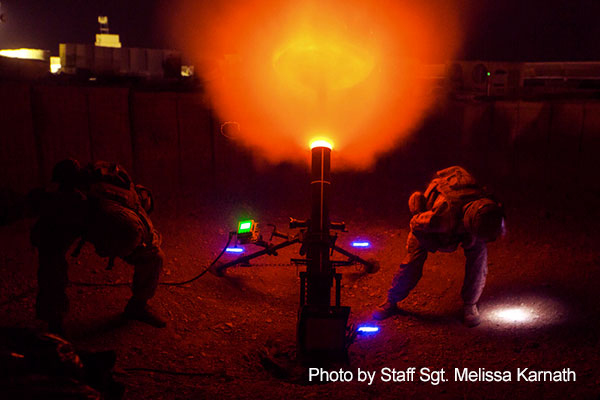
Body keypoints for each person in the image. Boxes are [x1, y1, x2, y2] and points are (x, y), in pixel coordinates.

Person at [30, 159, 166, 334]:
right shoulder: (65, 207)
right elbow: (42, 234)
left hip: (110, 219)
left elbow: (143, 233)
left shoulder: (131, 208)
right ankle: (54, 322)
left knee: (154, 256)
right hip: (80, 216)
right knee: (51, 259)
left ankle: (137, 306)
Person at [373, 166, 505, 327]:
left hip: (463, 224)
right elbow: (415, 223)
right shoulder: (441, 218)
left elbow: (490, 228)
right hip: (428, 228)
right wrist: (433, 240)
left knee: (478, 254)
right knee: (413, 261)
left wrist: (470, 237)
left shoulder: (488, 211)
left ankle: (470, 304)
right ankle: (391, 300)